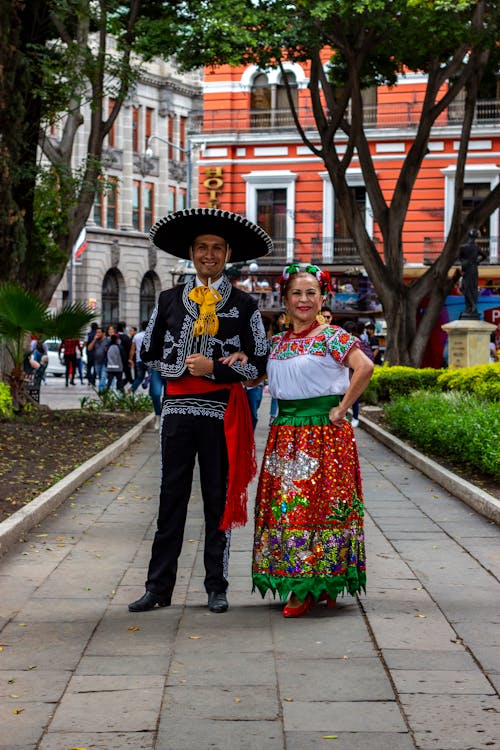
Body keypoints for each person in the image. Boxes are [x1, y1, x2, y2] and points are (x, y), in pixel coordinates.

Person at [128, 207, 271, 615]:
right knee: (170, 499)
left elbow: (260, 362)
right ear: (191, 252)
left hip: (220, 414)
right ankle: (158, 588)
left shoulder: (245, 305)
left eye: (217, 248)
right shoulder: (168, 299)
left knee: (217, 500)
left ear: (228, 254)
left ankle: (216, 586)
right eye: (202, 248)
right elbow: (147, 350)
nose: (209, 254)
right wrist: (177, 367)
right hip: (175, 411)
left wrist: (217, 368)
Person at [252, 263, 374, 617]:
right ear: (285, 298)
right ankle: (307, 582)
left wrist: (343, 407)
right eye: (296, 293)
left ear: (323, 298)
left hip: (323, 435)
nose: (303, 300)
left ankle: (311, 585)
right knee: (287, 510)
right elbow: (257, 377)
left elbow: (364, 367)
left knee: (320, 509)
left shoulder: (332, 335)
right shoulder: (277, 343)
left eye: (311, 293)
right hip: (284, 434)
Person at [459, 229, 488, 319]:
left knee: (467, 287)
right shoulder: (476, 248)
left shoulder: (463, 247)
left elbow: (460, 258)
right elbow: (485, 256)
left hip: (467, 269)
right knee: (472, 287)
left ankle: (472, 306)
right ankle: (470, 307)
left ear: (469, 236)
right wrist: (477, 262)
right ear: (475, 237)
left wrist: (464, 263)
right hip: (473, 268)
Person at [87, 326, 108, 391]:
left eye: (99, 332)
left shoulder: (107, 340)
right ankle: (103, 389)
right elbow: (89, 348)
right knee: (100, 377)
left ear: (103, 333)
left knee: (103, 377)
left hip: (105, 362)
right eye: (97, 332)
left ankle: (101, 391)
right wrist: (94, 340)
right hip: (97, 362)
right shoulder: (95, 340)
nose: (97, 334)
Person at [128, 321, 148, 392]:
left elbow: (132, 349)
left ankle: (131, 389)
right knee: (152, 376)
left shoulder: (137, 336)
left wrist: (130, 359)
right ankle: (147, 379)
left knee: (139, 378)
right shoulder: (152, 335)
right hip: (149, 360)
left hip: (139, 360)